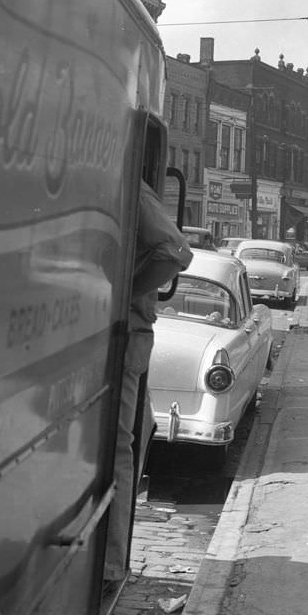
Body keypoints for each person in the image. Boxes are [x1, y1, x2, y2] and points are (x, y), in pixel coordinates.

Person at [106, 181, 193, 584]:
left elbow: (176, 251)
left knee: (120, 449)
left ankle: (109, 563)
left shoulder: (132, 187)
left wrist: (121, 292)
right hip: (125, 335)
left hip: (128, 335)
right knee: (126, 444)